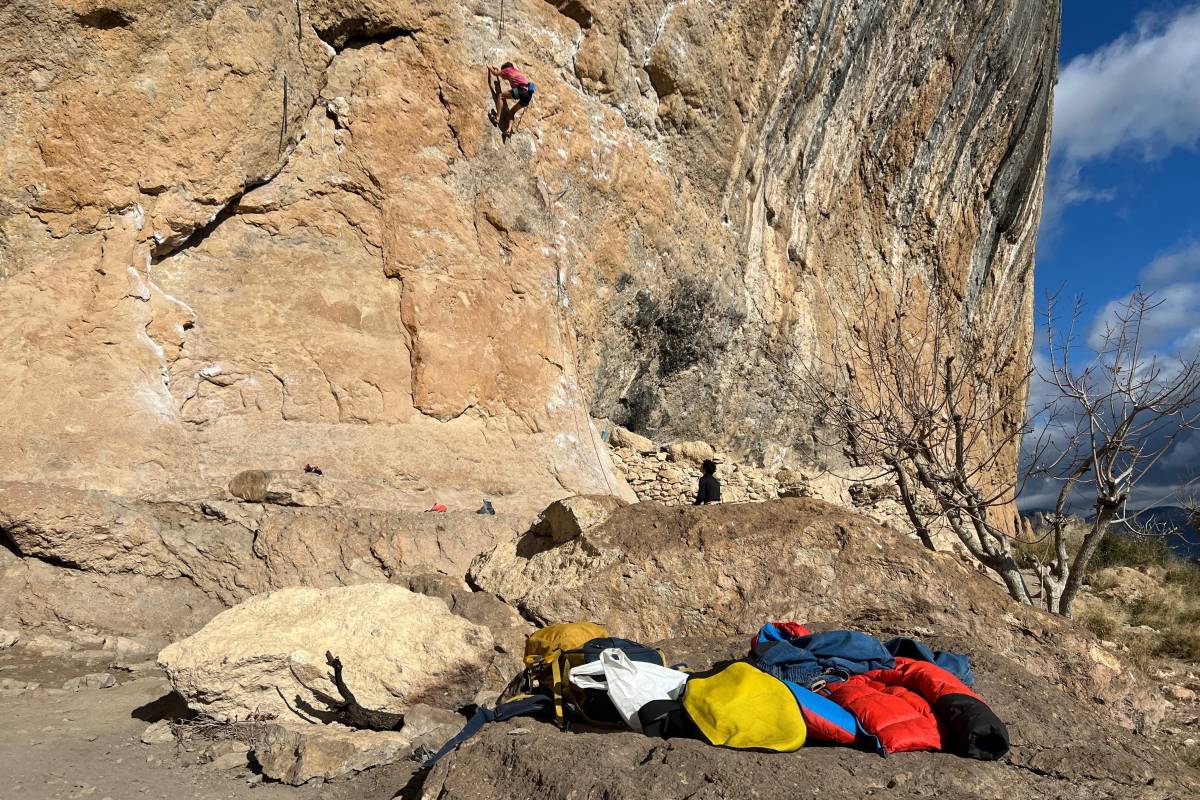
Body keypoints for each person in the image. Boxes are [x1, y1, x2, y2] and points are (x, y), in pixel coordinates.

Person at [487, 61, 535, 133]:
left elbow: (495, 73)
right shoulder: (516, 71)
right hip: (528, 96)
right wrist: (499, 70)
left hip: (521, 90)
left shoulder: (507, 70)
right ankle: (508, 131)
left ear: (505, 68)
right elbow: (503, 76)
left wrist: (488, 67)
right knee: (511, 112)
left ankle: (497, 118)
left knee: (501, 96)